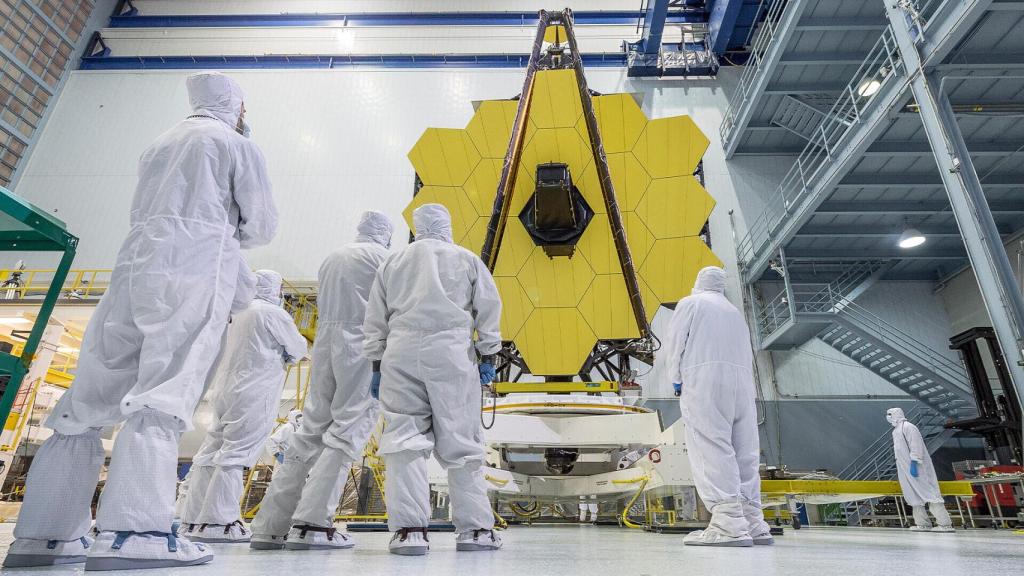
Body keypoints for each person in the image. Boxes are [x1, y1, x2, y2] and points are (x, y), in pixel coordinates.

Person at [2, 71, 275, 570]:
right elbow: (261, 226)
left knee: (89, 397)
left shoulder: (159, 144)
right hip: (193, 270)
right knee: (164, 393)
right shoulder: (235, 145)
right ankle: (135, 532)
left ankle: (45, 537)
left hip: (134, 267)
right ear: (235, 106)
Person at [363, 203, 503, 556]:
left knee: (403, 441)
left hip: (400, 353)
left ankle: (409, 532)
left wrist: (377, 365)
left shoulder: (393, 262)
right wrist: (488, 354)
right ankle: (475, 531)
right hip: (451, 353)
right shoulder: (466, 259)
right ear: (447, 225)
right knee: (462, 442)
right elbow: (488, 307)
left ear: (415, 226)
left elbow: (375, 316)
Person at [249, 211, 394, 551]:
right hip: (362, 346)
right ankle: (312, 524)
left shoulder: (333, 257)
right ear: (385, 234)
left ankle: (270, 527)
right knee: (347, 431)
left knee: (309, 432)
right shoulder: (385, 259)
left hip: (327, 346)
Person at [181, 270, 308, 543]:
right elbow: (299, 348)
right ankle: (219, 522)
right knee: (235, 454)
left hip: (223, 391)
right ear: (274, 289)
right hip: (253, 391)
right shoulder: (271, 313)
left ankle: (192, 518)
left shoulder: (235, 313)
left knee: (209, 453)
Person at [665, 266, 771, 547]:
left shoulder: (692, 303)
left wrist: (675, 379)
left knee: (710, 445)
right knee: (744, 450)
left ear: (699, 282)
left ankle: (728, 524)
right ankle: (753, 521)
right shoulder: (734, 312)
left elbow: (675, 344)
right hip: (742, 386)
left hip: (706, 381)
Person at [886, 407, 954, 532]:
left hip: (917, 466)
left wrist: (914, 462)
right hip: (904, 468)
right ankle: (922, 524)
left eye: (890, 414)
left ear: (896, 414)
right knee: (913, 495)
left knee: (929, 493)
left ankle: (945, 524)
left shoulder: (909, 427)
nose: (888, 417)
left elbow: (916, 446)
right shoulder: (896, 431)